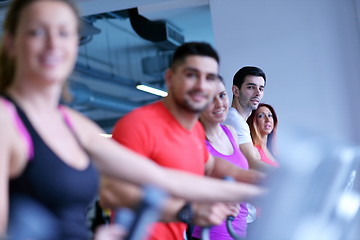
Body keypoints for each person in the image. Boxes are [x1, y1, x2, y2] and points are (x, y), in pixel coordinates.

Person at [0, 0, 263, 239]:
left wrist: (262, 192)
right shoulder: (6, 118)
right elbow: (113, 191)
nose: (53, 44)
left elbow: (163, 179)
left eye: (64, 33)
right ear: (10, 42)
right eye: (37, 31)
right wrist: (185, 210)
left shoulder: (73, 123)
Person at [100, 42, 264, 240]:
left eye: (209, 78)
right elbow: (112, 193)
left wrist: (260, 182)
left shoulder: (193, 129)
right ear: (170, 78)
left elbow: (212, 166)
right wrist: (188, 210)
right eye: (192, 75)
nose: (202, 86)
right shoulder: (138, 124)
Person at [192, 79, 249, 239]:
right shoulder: (195, 141)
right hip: (210, 234)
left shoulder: (231, 132)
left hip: (239, 230)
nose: (219, 104)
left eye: (222, 95)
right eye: (210, 99)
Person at [223, 66, 271, 172]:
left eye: (261, 89)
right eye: (251, 87)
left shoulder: (236, 118)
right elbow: (251, 163)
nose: (257, 93)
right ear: (236, 91)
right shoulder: (234, 119)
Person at [247, 103, 279, 168]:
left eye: (270, 115)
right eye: (261, 116)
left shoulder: (274, 151)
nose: (268, 120)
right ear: (253, 121)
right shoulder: (252, 150)